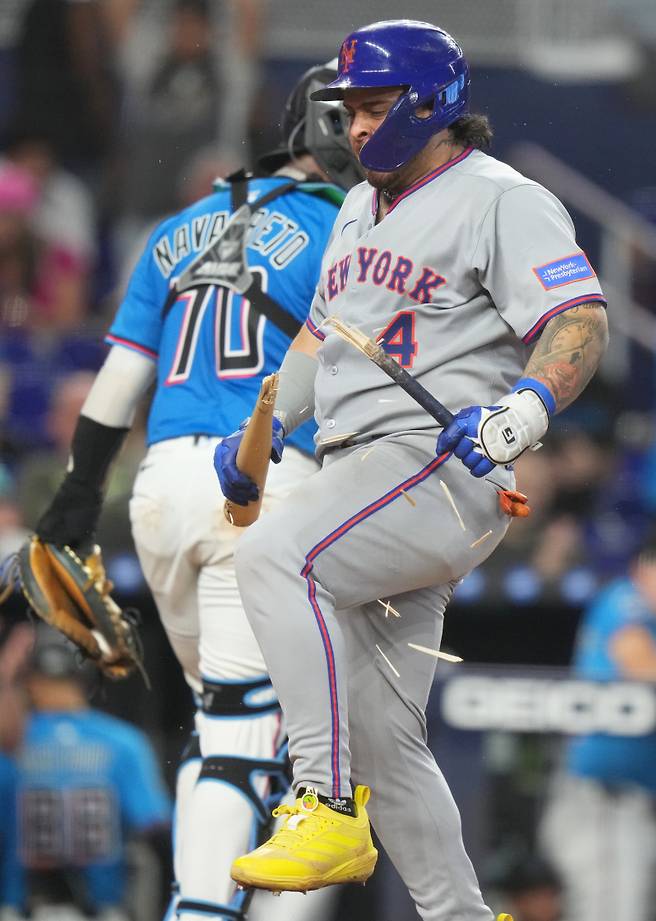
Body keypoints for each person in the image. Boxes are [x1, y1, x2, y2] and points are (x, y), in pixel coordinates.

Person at [215, 18, 609, 921]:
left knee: (276, 558)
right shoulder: (360, 205)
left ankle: (318, 799)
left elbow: (580, 319)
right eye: (350, 110)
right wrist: (268, 423)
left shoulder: (500, 196)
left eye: (374, 107)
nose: (356, 128)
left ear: (432, 104)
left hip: (435, 463)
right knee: (389, 739)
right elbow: (324, 334)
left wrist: (524, 411)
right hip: (363, 477)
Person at [30, 62, 362, 921]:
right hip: (260, 486)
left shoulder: (180, 225)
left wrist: (74, 500)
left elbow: (119, 379)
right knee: (252, 738)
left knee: (232, 728)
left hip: (158, 489)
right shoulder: (351, 228)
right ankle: (202, 913)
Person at [539, 534, 656, 921]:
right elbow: (640, 665)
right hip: (598, 795)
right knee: (612, 910)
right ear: (644, 567)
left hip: (633, 799)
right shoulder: (626, 600)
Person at [14, 636, 172, 921]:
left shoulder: (11, 740)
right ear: (85, 680)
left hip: (20, 908)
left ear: (30, 682)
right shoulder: (123, 741)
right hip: (102, 908)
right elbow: (157, 830)